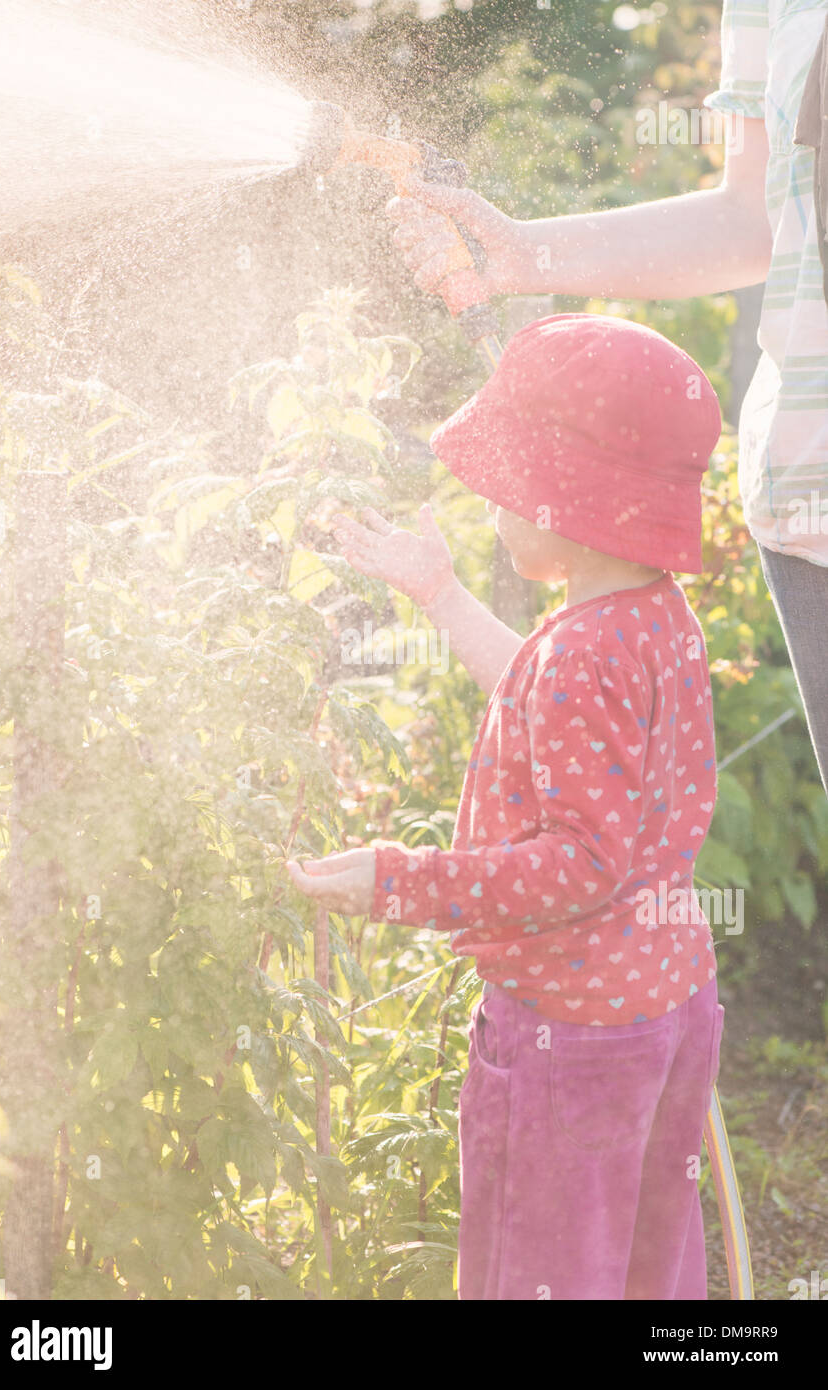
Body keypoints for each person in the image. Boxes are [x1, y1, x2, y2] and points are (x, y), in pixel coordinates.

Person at [288, 312, 727, 1299]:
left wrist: (402, 881)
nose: (489, 508)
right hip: (663, 1007)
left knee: (541, 1272)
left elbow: (580, 863)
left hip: (568, 1044)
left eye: (505, 489)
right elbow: (543, 704)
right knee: (643, 1266)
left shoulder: (583, 651)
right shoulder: (649, 617)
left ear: (575, 498)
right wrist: (439, 591)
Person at [385, 0, 828, 793]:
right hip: (810, 508)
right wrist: (521, 251)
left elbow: (575, 857)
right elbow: (751, 217)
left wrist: (400, 883)